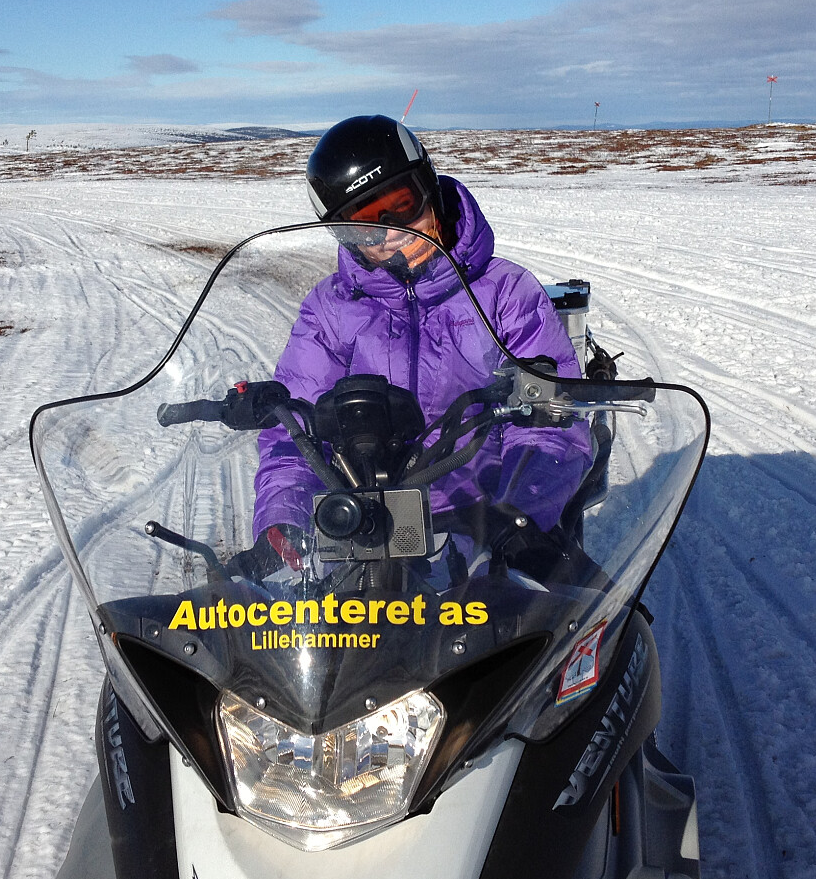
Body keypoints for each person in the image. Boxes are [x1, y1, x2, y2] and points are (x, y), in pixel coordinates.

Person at [247, 114, 594, 578]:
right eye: (365, 225)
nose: (392, 232)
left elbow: (550, 424)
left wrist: (519, 513)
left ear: (428, 187)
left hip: (484, 527)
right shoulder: (330, 310)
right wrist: (284, 516)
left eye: (401, 205)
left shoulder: (506, 293)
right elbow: (294, 429)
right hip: (364, 528)